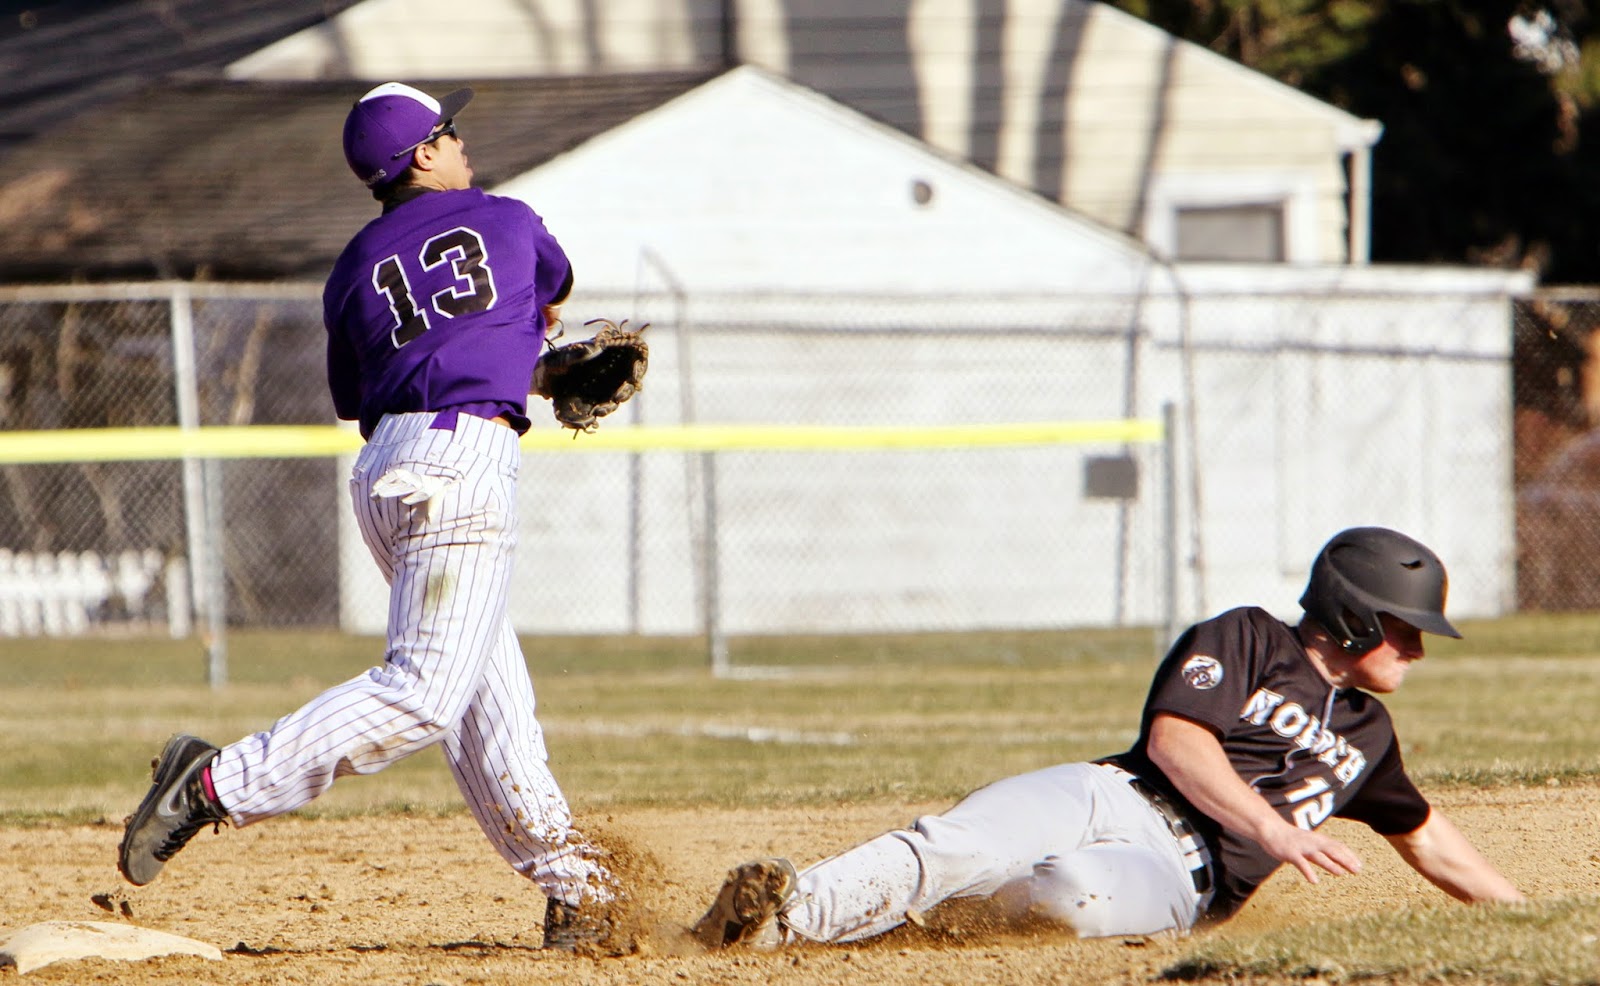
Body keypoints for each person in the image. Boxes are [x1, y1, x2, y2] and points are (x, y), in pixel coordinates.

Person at [118, 82, 623, 952]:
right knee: (427, 694)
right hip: (465, 466)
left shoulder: (352, 266)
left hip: (389, 468)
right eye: (450, 131)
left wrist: (517, 368)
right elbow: (549, 297)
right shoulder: (503, 217)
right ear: (423, 155)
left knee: (483, 695)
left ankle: (581, 889)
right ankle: (215, 784)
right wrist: (545, 365)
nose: (462, 143)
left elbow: (371, 393)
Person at [692, 526, 1525, 949]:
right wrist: (1271, 827)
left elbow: (1431, 841)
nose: (1416, 646)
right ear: (1349, 615)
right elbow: (1175, 744)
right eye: (1401, 628)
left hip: (1178, 876)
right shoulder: (1248, 638)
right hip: (1107, 790)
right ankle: (781, 920)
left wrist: (1528, 920)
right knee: (953, 842)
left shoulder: (1367, 734)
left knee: (1070, 896)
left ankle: (912, 926)